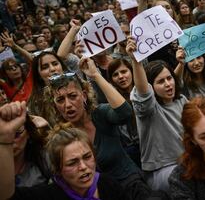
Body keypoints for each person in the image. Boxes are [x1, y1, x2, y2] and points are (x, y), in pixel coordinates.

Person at [43, 58, 153, 199]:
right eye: (60, 100)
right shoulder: (62, 136)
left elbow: (125, 112)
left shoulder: (99, 114)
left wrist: (95, 75)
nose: (68, 104)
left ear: (83, 96)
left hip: (130, 185)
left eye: (72, 96)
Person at [0, 102, 128, 200]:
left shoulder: (109, 185)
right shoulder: (47, 196)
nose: (83, 167)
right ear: (57, 168)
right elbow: (7, 197)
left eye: (87, 157)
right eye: (72, 163)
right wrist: (5, 137)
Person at [127, 37, 188, 191]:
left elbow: (176, 80)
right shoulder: (149, 109)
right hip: (163, 172)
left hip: (188, 163)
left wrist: (181, 63)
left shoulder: (181, 100)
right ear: (151, 88)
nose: (168, 84)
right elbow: (143, 92)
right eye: (160, 82)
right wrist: (136, 61)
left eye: (169, 79)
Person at [107, 58, 141, 167]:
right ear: (111, 80)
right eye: (115, 74)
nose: (121, 77)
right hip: (130, 152)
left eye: (124, 71)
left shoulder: (143, 92)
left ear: (132, 71)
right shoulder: (112, 102)